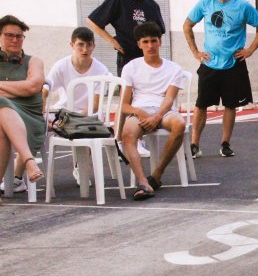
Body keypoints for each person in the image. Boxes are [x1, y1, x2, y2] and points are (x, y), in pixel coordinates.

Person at [183, 0, 258, 159]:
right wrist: (195, 52)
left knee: (230, 105)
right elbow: (187, 25)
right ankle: (194, 145)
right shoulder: (204, 3)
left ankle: (225, 144)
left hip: (233, 65)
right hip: (209, 64)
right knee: (201, 104)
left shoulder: (242, 6)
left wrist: (250, 50)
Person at [119, 22, 186, 201]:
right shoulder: (130, 67)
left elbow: (170, 98)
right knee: (127, 133)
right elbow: (124, 105)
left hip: (164, 110)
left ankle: (156, 175)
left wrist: (157, 116)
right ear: (139, 44)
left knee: (180, 124)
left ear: (160, 42)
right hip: (140, 110)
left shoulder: (174, 69)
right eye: (146, 42)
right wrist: (140, 113)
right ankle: (143, 182)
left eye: (153, 41)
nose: (150, 46)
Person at [44, 26, 112, 186]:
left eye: (89, 45)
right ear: (72, 45)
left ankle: (80, 167)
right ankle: (20, 175)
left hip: (87, 115)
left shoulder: (101, 69)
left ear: (94, 46)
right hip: (62, 111)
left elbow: (94, 105)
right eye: (80, 45)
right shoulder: (60, 66)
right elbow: (45, 89)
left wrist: (75, 120)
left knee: (87, 126)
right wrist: (40, 111)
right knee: (34, 126)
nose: (85, 49)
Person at [0, 15, 45, 195]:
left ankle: (26, 160)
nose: (15, 40)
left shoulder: (33, 61)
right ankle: (29, 161)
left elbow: (33, 86)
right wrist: (19, 88)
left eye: (19, 36)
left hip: (28, 116)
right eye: (9, 35)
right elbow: (25, 87)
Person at [86, 0, 165, 77]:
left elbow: (159, 32)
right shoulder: (118, 0)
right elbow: (92, 21)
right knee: (126, 91)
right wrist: (113, 42)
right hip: (126, 59)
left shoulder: (152, 5)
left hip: (148, 60)